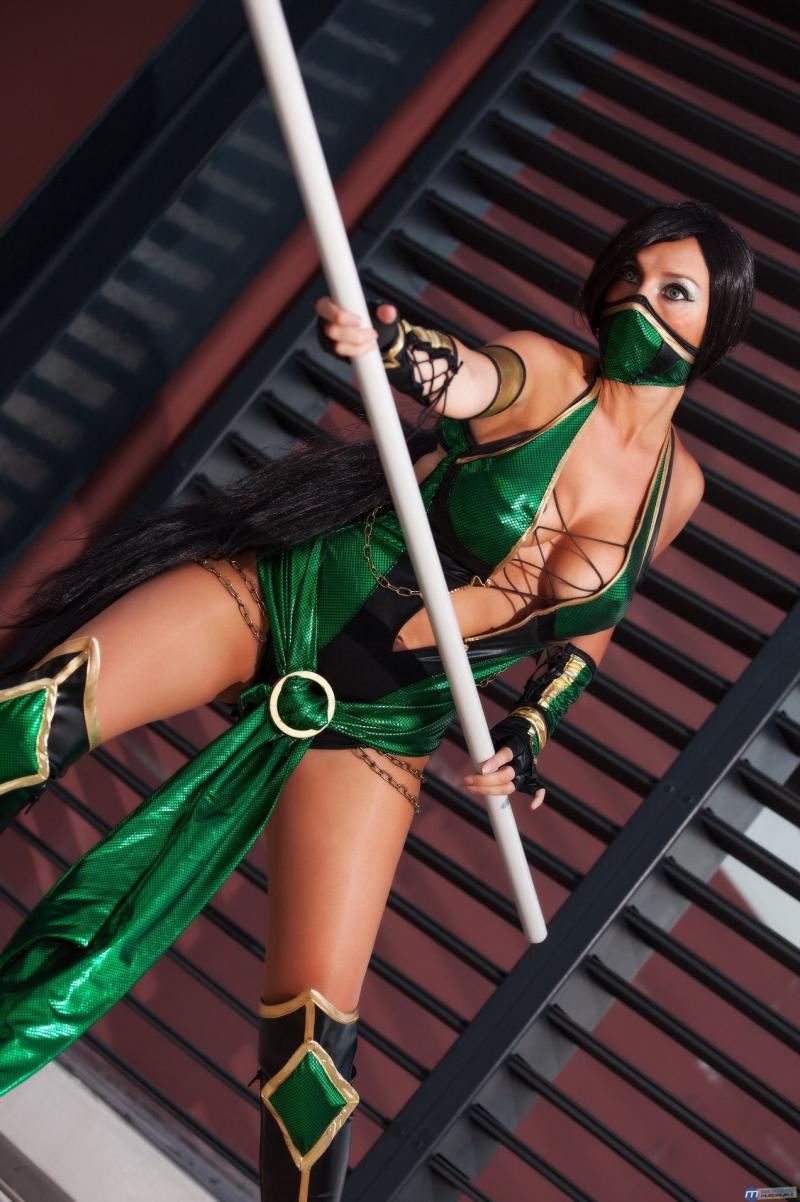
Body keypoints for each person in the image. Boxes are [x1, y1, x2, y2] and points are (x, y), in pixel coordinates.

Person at [0, 200, 753, 1202]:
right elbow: (471, 376)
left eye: (673, 290)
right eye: (631, 275)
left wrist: (532, 726)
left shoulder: (678, 488)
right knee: (28, 722)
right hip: (289, 601)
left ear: (716, 324)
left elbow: (586, 627)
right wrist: (395, 347)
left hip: (386, 721)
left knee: (314, 1043)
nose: (638, 299)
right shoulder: (550, 372)